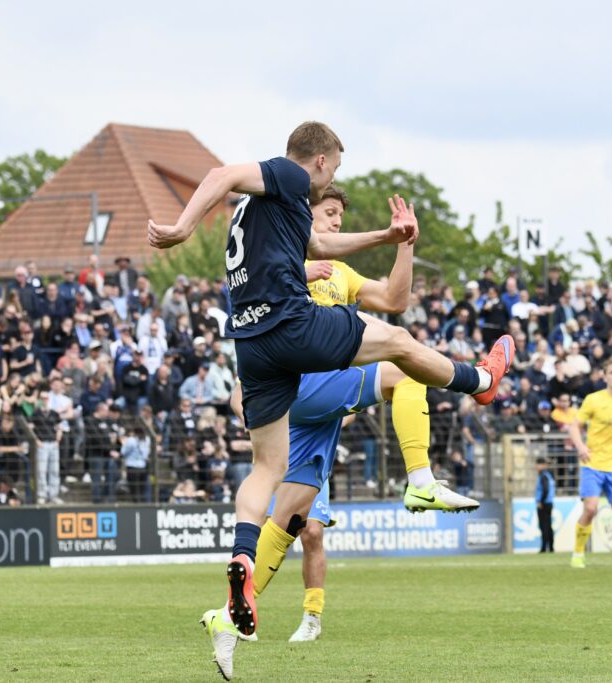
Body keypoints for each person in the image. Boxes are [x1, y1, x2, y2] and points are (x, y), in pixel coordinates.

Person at [150, 123, 514, 660]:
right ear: (319, 160)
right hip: (290, 325)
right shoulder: (287, 175)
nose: (332, 182)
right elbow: (220, 173)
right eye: (336, 169)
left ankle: (241, 568)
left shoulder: (275, 210)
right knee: (397, 344)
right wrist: (183, 227)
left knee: (266, 471)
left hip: (251, 344)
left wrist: (387, 239)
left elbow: (321, 243)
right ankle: (479, 383)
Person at [201, 184, 481, 657]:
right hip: (306, 383)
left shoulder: (342, 273)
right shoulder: (285, 252)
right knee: (403, 369)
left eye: (337, 216)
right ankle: (420, 478)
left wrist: (404, 246)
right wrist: (298, 268)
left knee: (291, 519)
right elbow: (251, 293)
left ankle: (231, 615)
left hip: (316, 411)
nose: (334, 222)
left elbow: (395, 299)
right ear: (303, 213)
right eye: (327, 213)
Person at [567, 358, 612, 569]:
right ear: (605, 376)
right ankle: (578, 553)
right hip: (593, 464)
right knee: (590, 509)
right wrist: (581, 447)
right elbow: (574, 427)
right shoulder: (593, 400)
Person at [535, 456, 556, 553]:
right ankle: (551, 547)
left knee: (544, 526)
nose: (536, 466)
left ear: (543, 465)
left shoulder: (543, 476)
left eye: (538, 464)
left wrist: (541, 502)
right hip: (549, 503)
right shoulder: (549, 475)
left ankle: (544, 548)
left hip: (544, 504)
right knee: (548, 526)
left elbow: (545, 490)